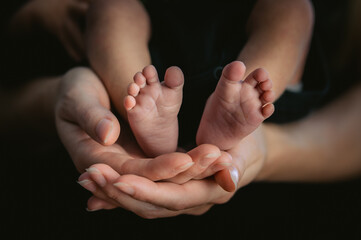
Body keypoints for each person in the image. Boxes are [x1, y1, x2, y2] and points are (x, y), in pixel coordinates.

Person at [85, 0, 314, 156]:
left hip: (237, 52)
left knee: (291, 9)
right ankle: (146, 112)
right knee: (112, 6)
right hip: (152, 57)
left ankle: (239, 98)